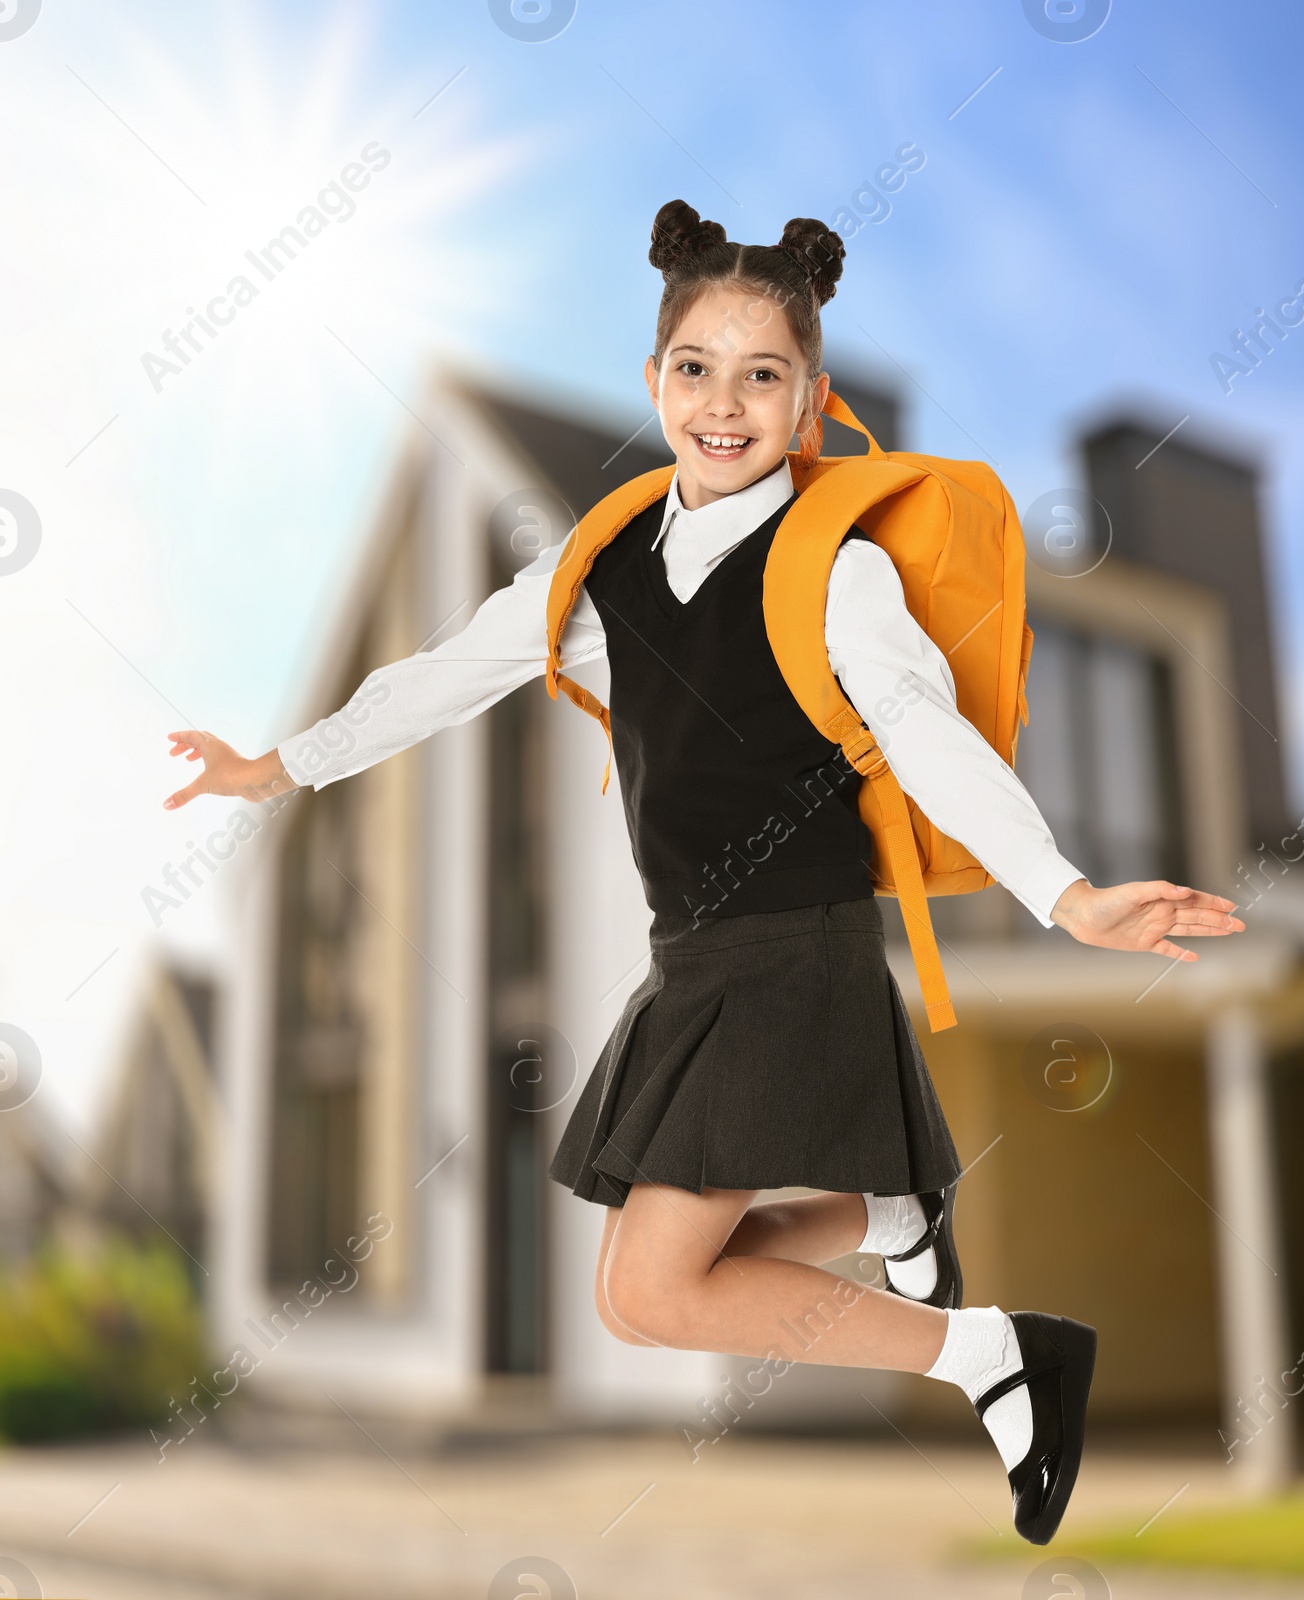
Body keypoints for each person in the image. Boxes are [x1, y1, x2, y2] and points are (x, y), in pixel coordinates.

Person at [165, 199, 1244, 1544]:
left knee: (663, 1293)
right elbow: (437, 678)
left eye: (762, 374)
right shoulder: (596, 571)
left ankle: (996, 1351)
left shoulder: (836, 571)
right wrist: (280, 767)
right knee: (636, 1298)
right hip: (693, 963)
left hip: (797, 951)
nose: (723, 404)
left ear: (811, 401)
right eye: (696, 368)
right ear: (653, 380)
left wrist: (1069, 893)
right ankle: (883, 1204)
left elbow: (929, 736)